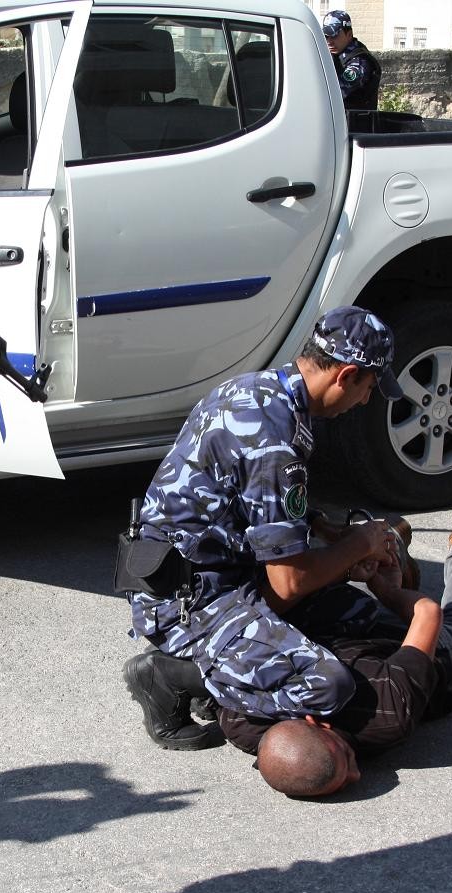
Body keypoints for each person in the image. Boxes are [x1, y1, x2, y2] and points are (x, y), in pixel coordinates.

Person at [120, 306, 409, 751]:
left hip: (222, 574)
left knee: (367, 622)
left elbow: (249, 496)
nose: (366, 401)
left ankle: (241, 665)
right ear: (345, 375)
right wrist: (358, 544)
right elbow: (289, 582)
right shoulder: (274, 441)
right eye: (369, 388)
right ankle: (174, 676)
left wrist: (322, 528)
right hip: (191, 605)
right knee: (328, 685)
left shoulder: (260, 391)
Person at [224, 525, 452, 798]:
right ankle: (384, 544)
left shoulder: (386, 712)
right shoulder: (239, 720)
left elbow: (428, 615)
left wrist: (390, 593)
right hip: (338, 620)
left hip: (357, 625)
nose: (356, 774)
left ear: (315, 722)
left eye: (347, 758)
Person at [322, 9, 381, 112]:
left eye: (334, 36)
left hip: (355, 125)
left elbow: (334, 94)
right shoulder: (336, 55)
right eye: (326, 36)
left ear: (349, 35)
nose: (329, 41)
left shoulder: (359, 62)